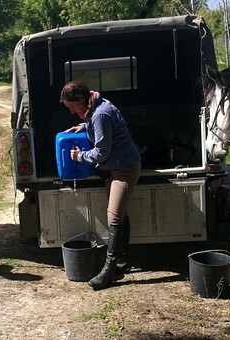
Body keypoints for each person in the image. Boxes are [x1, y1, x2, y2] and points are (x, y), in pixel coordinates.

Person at [60, 81, 141, 290]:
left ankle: (109, 270)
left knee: (114, 216)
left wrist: (79, 157)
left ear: (80, 99)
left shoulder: (100, 114)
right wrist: (84, 126)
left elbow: (102, 151)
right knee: (119, 214)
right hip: (114, 167)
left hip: (124, 169)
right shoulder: (96, 106)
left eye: (72, 107)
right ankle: (122, 262)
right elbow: (98, 127)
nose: (72, 112)